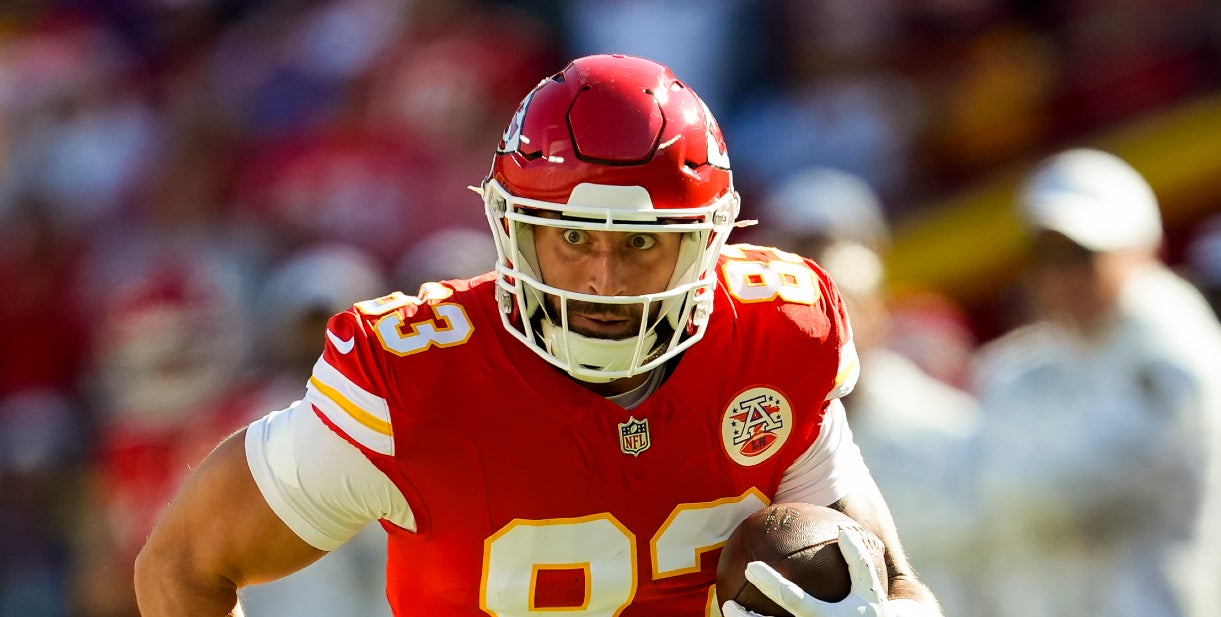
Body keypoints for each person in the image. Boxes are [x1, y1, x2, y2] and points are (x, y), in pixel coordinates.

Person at [133, 54, 942, 617]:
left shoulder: (775, 333)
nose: (601, 280)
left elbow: (896, 582)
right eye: (574, 237)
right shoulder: (413, 379)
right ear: (513, 231)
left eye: (639, 243)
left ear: (704, 241)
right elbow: (182, 563)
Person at [969, 148, 1221, 617]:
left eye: (1082, 254)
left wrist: (1008, 482)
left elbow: (1070, 490)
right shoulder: (1027, 362)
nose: (1062, 274)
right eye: (1046, 255)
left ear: (1144, 248)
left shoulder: (1176, 343)